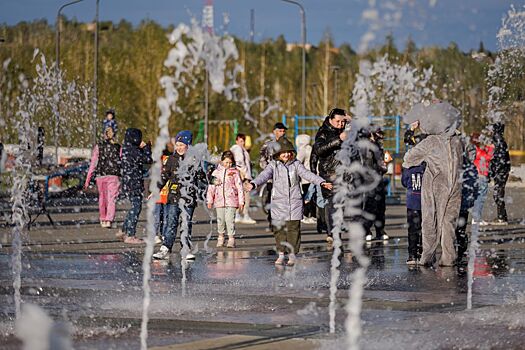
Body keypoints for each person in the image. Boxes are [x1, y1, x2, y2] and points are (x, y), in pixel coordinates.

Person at [245, 137, 332, 266]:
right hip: (279, 202)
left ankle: (292, 254)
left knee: (293, 229)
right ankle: (281, 253)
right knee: (279, 229)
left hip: (294, 202)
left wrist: (322, 182)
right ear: (278, 154)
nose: (286, 154)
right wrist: (253, 184)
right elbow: (263, 176)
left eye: (288, 152)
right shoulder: (273, 166)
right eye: (283, 152)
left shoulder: (296, 164)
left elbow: (308, 175)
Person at [402, 102, 463, 267]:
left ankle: (427, 257)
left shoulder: (430, 142)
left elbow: (408, 159)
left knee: (430, 220)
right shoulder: (458, 141)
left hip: (435, 185)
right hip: (456, 186)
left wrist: (420, 162)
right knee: (448, 222)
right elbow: (469, 156)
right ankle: (449, 257)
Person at [153, 130, 207, 260]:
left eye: (182, 145)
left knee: (186, 224)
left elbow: (202, 177)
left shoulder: (194, 160)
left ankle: (185, 248)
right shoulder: (171, 160)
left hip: (188, 199)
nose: (179, 148)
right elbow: (164, 177)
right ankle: (166, 247)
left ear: (188, 146)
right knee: (171, 222)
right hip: (173, 198)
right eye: (177, 145)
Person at [313, 108, 353, 241]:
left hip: (345, 173)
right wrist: (338, 140)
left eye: (343, 122)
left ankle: (336, 230)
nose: (340, 124)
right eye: (337, 121)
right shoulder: (323, 132)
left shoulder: (345, 130)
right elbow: (319, 150)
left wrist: (352, 120)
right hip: (330, 173)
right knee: (333, 203)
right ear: (330, 120)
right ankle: (332, 233)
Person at [116, 128, 152, 243]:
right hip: (134, 183)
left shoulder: (126, 149)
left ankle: (123, 230)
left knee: (133, 207)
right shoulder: (134, 151)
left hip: (128, 182)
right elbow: (147, 159)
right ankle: (130, 235)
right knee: (136, 208)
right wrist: (146, 148)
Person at [84, 126, 122, 229]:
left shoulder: (98, 147)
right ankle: (109, 219)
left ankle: (103, 218)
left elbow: (93, 164)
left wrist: (88, 179)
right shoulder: (118, 147)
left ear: (104, 135)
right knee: (112, 199)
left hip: (101, 175)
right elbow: (122, 162)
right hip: (114, 176)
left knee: (102, 198)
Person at [206, 151, 245, 248]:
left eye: (230, 163)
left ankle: (231, 239)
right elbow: (211, 187)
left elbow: (239, 187)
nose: (228, 164)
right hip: (219, 201)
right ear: (222, 161)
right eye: (226, 162)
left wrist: (241, 201)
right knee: (220, 220)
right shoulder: (216, 172)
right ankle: (221, 237)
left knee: (229, 220)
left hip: (231, 200)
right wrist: (209, 200)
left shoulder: (234, 172)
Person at [401, 122, 427, 265]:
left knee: (413, 229)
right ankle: (423, 253)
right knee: (425, 228)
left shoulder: (409, 166)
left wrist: (411, 129)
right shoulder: (426, 167)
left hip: (412, 202)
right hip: (425, 201)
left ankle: (412, 255)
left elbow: (404, 182)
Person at [259, 122, 288, 230]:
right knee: (272, 199)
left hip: (284, 178)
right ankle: (272, 221)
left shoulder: (287, 143)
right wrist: (268, 171)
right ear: (274, 132)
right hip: (272, 178)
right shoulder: (268, 145)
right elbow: (262, 160)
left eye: (284, 131)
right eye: (280, 131)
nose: (282, 133)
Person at [455, 143, 479, 265]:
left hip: (462, 203)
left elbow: (475, 187)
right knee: (459, 228)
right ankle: (460, 251)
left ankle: (460, 251)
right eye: (472, 154)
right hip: (460, 202)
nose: (473, 156)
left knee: (459, 228)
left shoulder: (468, 167)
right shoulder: (466, 167)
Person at [230, 133, 256, 224]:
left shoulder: (240, 149)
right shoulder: (238, 149)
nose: (242, 143)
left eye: (243, 141)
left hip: (241, 176)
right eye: (240, 141)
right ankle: (244, 215)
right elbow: (240, 161)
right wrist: (244, 173)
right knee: (245, 197)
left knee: (239, 196)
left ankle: (238, 215)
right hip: (243, 177)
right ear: (236, 141)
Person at [489, 122, 511, 225]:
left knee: (498, 194)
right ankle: (502, 216)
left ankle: (502, 218)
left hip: (501, 172)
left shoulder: (498, 140)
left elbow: (499, 159)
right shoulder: (500, 140)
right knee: (498, 194)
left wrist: (493, 171)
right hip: (502, 171)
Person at [470, 132, 494, 226]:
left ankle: (476, 217)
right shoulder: (479, 150)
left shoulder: (475, 149)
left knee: (477, 197)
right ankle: (476, 218)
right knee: (480, 197)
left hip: (477, 175)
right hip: (481, 175)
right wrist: (492, 147)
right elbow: (489, 157)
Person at [295, 134, 316, 224]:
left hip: (305, 178)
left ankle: (306, 214)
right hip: (312, 176)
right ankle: (312, 215)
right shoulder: (311, 149)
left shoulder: (302, 150)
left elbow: (297, 162)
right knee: (311, 197)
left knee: (306, 197)